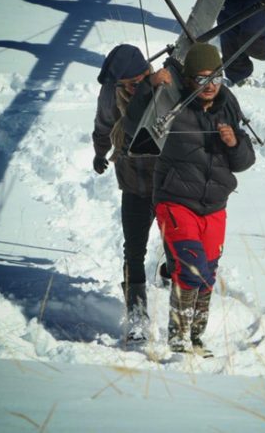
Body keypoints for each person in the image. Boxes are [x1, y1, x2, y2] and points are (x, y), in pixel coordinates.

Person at [124, 43, 256, 356]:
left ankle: (196, 338)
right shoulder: (173, 102)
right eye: (202, 79)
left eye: (216, 78)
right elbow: (133, 127)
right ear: (189, 79)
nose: (210, 85)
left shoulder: (227, 104)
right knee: (190, 266)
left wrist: (234, 143)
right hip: (176, 200)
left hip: (215, 204)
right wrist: (148, 87)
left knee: (207, 272)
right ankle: (179, 339)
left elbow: (245, 160)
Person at [92, 44, 170, 343]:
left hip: (168, 182)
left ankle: (172, 282)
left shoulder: (165, 86)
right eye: (124, 84)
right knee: (134, 249)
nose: (130, 89)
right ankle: (137, 316)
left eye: (136, 82)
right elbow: (103, 125)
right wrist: (100, 153)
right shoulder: (111, 95)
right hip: (134, 182)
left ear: (147, 71)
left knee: (176, 243)